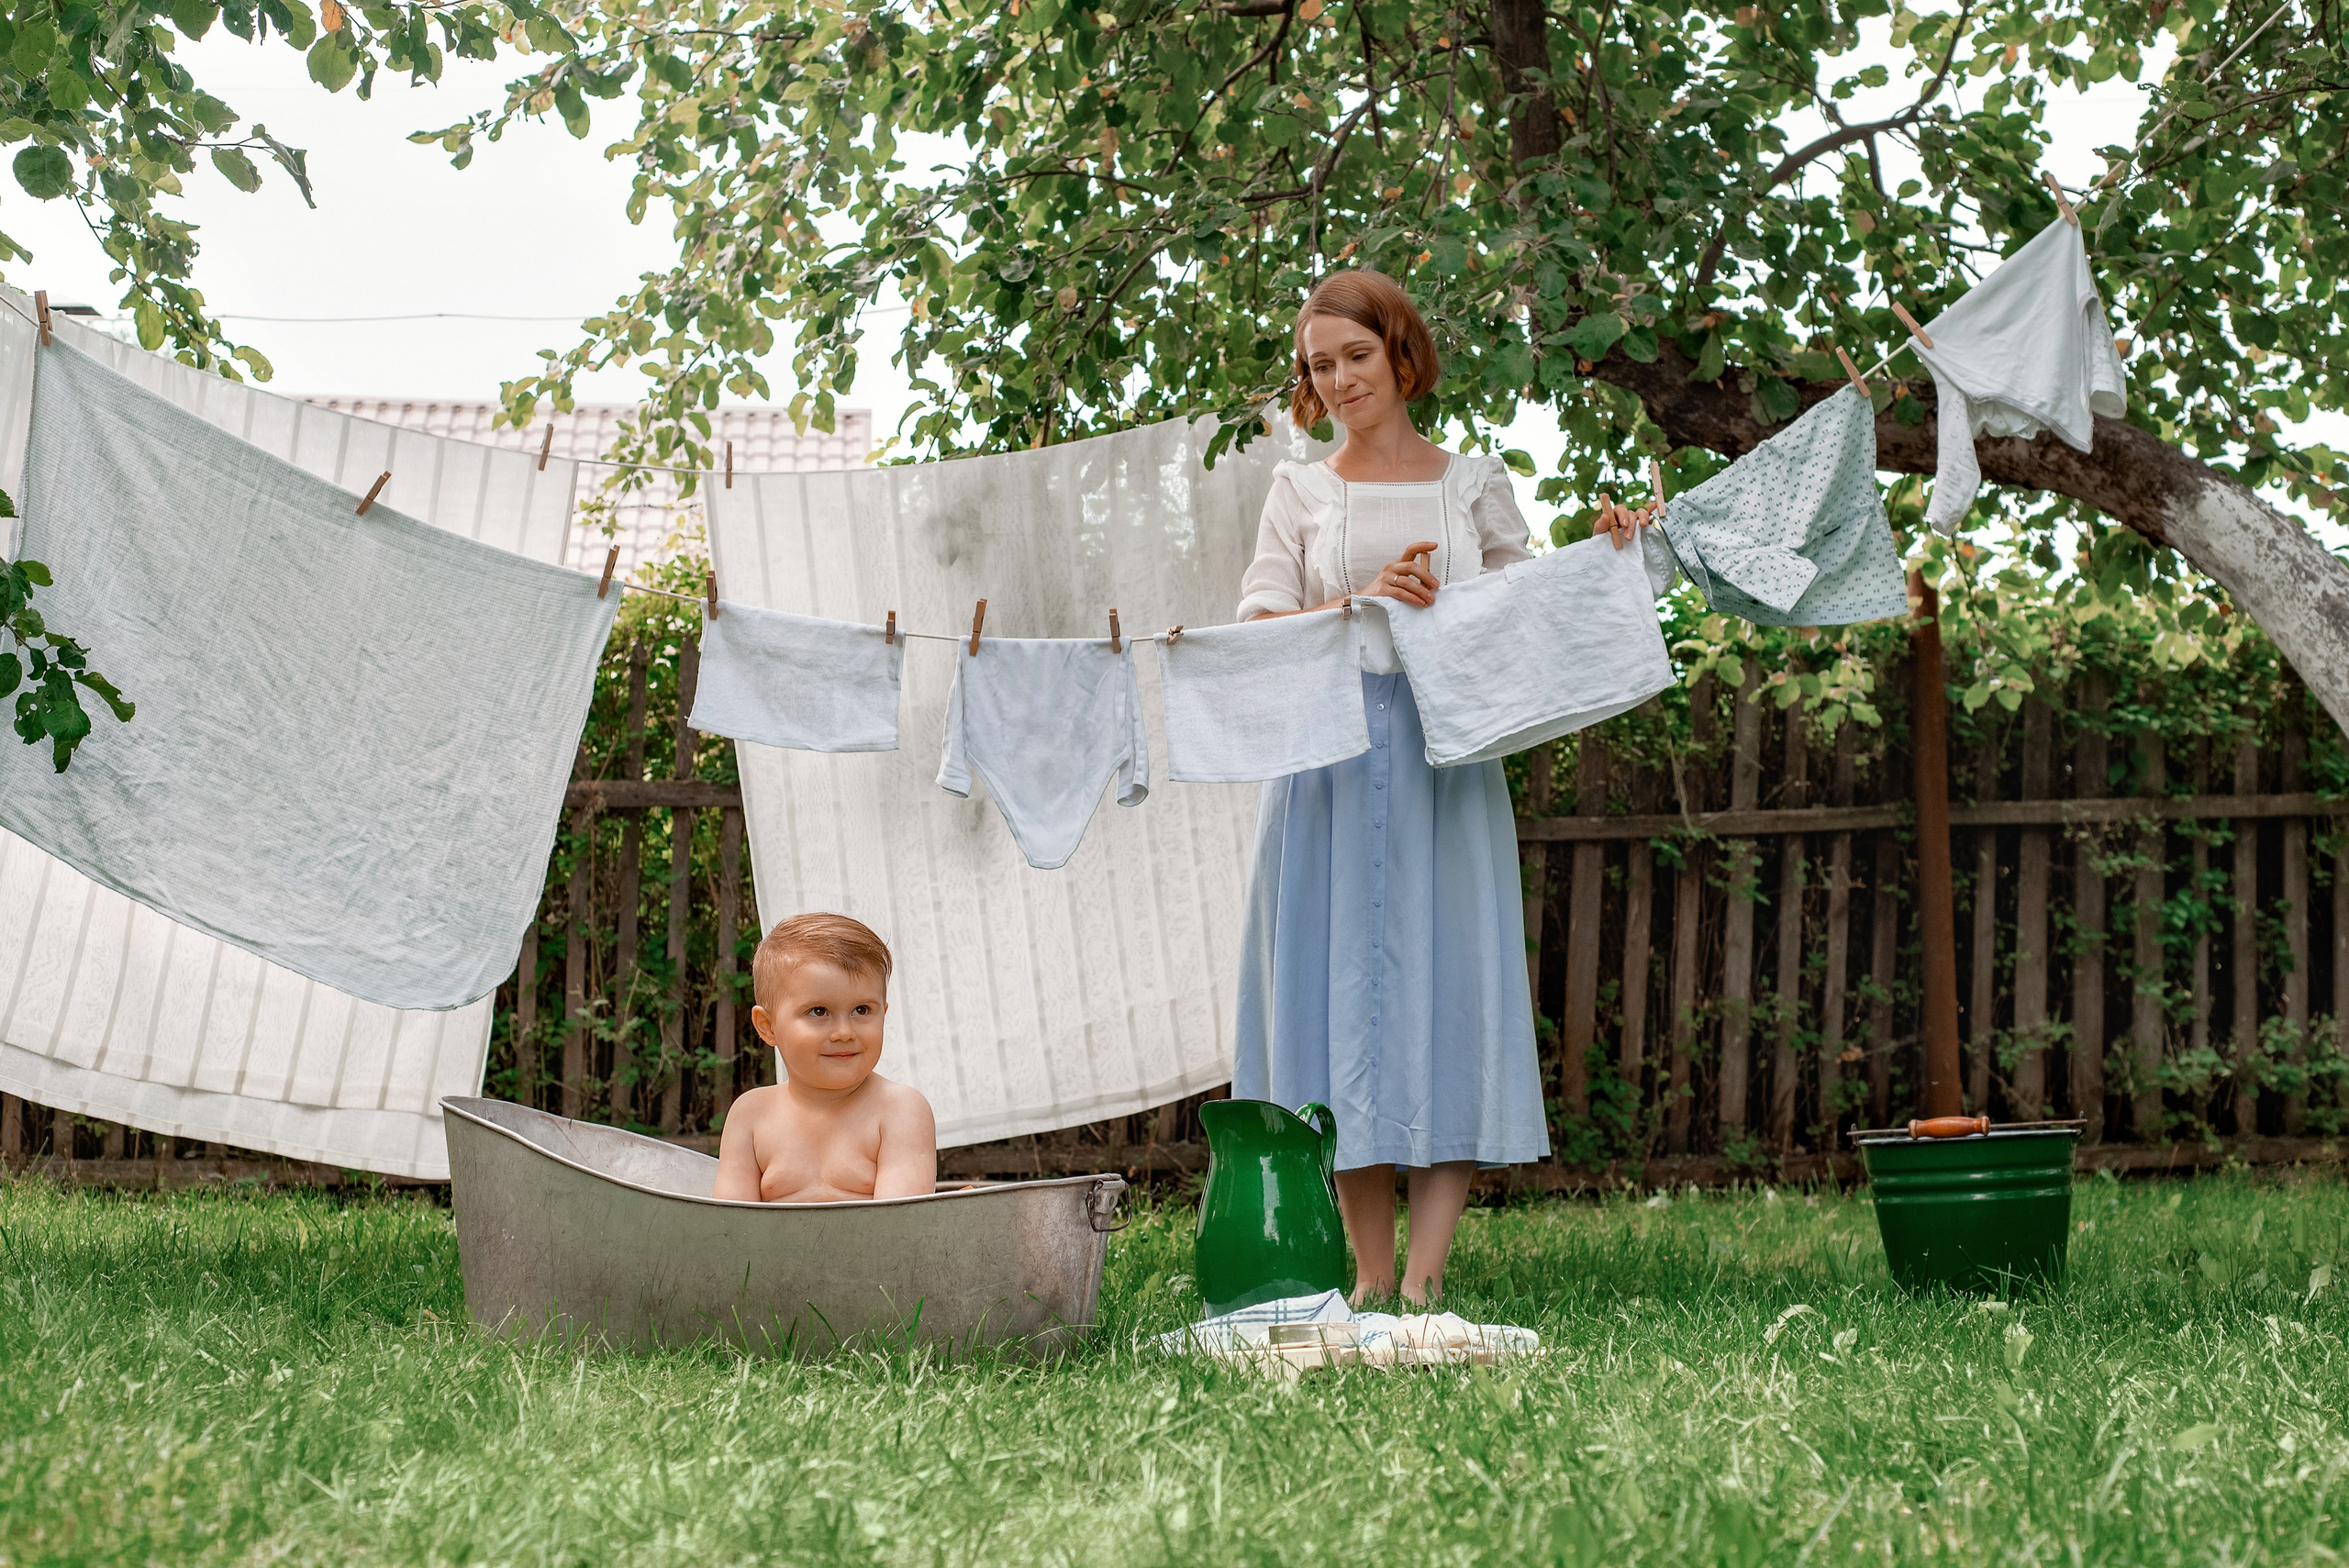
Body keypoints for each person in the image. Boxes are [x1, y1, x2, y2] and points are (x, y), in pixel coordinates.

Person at [1233, 269, 1652, 1304]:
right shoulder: (1299, 490)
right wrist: (1359, 598)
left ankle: (1424, 1278)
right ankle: (1368, 1275)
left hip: (1445, 761)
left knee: (1446, 988)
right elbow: (1250, 631)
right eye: (1318, 364)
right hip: (1326, 765)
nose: (1336, 379)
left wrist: (1607, 551)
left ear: (1400, 350)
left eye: (1355, 356)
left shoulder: (1472, 483)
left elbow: (1528, 610)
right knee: (1334, 1006)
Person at [713, 912, 938, 1203]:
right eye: (818, 1011)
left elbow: (899, 1230)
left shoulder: (900, 1111)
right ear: (767, 1027)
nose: (844, 1033)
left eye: (861, 1010)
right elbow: (728, 1230)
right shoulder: (751, 1116)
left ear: (883, 1012)